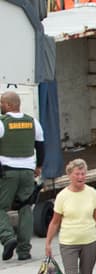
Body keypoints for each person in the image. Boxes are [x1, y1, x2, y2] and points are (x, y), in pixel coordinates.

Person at [0, 90, 44, 262]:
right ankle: (24, 251)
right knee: (25, 208)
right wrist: (39, 165)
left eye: (1, 103)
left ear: (10, 105)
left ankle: (7, 237)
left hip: (7, 172)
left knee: (1, 208)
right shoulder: (32, 122)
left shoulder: (3, 123)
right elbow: (40, 145)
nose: (0, 106)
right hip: (27, 171)